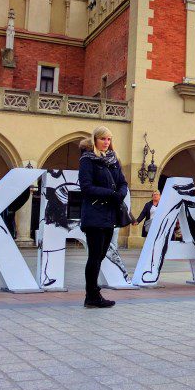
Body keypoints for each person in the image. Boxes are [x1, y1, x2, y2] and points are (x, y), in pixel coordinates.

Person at [78, 126, 128, 308]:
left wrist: (121, 192)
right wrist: (111, 194)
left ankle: (93, 295)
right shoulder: (87, 160)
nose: (106, 142)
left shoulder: (113, 160)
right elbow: (86, 187)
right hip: (94, 214)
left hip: (109, 216)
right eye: (103, 139)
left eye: (109, 139)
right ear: (95, 140)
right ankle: (91, 296)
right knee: (94, 256)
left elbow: (123, 182)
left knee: (99, 256)